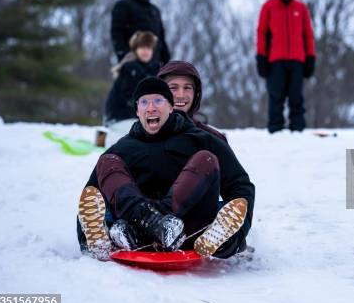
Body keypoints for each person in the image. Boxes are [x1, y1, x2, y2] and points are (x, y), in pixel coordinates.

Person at [77, 77, 255, 260]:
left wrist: (236, 238)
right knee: (107, 162)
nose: (151, 107)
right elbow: (92, 197)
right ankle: (135, 231)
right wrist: (87, 238)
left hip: (187, 231)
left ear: (171, 107)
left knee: (205, 159)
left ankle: (170, 229)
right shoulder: (123, 148)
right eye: (144, 102)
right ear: (137, 111)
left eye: (158, 100)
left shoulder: (200, 139)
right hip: (135, 232)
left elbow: (240, 186)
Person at [256, 0, 316, 133]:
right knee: (276, 96)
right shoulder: (269, 7)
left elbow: (308, 35)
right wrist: (261, 57)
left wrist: (311, 57)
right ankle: (275, 129)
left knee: (296, 97)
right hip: (275, 60)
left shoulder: (301, 8)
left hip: (297, 60)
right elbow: (261, 33)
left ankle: (297, 129)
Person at [111, 0, 170, 66]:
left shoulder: (154, 10)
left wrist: (166, 59)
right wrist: (123, 56)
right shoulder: (124, 5)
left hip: (154, 61)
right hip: (132, 59)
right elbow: (117, 32)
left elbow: (161, 37)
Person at [157, 60, 227, 142]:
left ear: (196, 94)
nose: (181, 95)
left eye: (187, 88)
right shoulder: (143, 136)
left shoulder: (213, 139)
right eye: (173, 88)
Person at [104, 31, 159, 126]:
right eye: (142, 48)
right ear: (135, 49)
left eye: (149, 48)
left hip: (138, 117)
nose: (146, 51)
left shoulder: (153, 69)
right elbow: (127, 96)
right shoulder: (131, 68)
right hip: (120, 117)